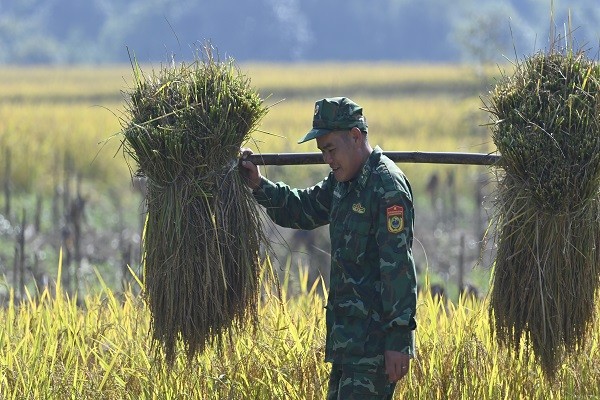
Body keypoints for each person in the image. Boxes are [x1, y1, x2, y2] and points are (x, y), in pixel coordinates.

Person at [240, 97, 417, 399]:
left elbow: (398, 269)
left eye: (331, 149)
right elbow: (302, 208)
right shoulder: (342, 183)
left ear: (356, 136)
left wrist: (398, 341)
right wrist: (258, 185)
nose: (327, 159)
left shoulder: (386, 188)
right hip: (346, 343)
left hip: (373, 349)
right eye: (322, 151)